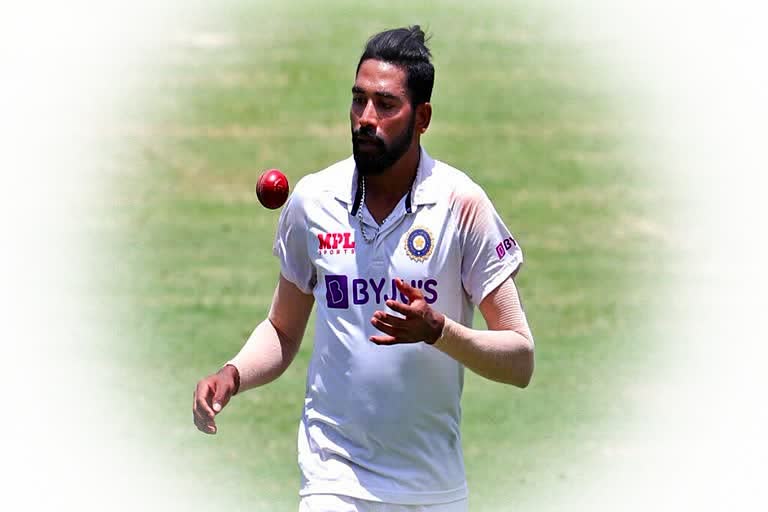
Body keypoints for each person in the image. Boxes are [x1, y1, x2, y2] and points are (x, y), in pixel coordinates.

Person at [193, 25, 535, 512]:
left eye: (386, 104)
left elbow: (520, 360)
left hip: (431, 489)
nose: (365, 119)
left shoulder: (462, 205)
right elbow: (283, 329)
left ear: (423, 117)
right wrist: (234, 373)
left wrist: (438, 330)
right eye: (358, 101)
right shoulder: (314, 201)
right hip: (333, 479)